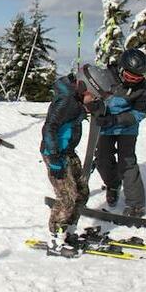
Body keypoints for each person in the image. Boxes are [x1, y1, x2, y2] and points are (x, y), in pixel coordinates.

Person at [40, 72, 99, 256]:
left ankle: (68, 233)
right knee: (67, 198)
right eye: (93, 94)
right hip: (55, 153)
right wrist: (54, 158)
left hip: (68, 152)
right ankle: (55, 241)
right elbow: (49, 128)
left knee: (82, 193)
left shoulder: (76, 99)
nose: (94, 98)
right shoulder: (66, 101)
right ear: (84, 88)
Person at [94, 48, 146, 217]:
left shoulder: (142, 89)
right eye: (129, 77)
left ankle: (135, 205)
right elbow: (91, 91)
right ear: (120, 69)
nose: (132, 81)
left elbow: (139, 113)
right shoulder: (106, 77)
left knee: (127, 162)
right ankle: (112, 184)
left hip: (127, 127)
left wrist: (116, 120)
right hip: (105, 126)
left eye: (137, 78)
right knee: (102, 160)